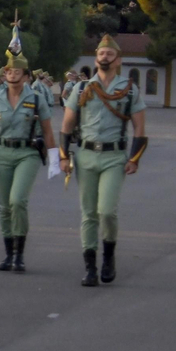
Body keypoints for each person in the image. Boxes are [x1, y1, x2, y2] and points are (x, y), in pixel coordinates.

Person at [61, 35, 147, 286]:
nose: (105, 57)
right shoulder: (81, 88)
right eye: (101, 53)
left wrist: (134, 158)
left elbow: (140, 128)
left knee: (107, 211)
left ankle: (108, 256)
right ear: (95, 58)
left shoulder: (129, 89)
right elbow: (67, 125)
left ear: (118, 59)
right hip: (86, 155)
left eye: (110, 54)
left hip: (113, 156)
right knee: (88, 213)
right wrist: (64, 156)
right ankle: (90, 267)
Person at [0, 51, 61, 272]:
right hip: (3, 152)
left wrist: (54, 159)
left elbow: (48, 131)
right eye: (9, 71)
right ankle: (9, 253)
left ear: (25, 76)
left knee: (17, 200)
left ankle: (19, 254)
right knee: (4, 206)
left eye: (17, 71)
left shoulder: (36, 99)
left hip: (27, 153)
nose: (12, 74)